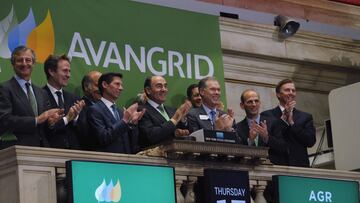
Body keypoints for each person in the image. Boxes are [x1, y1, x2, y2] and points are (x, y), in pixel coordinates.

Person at [0, 46, 62, 149]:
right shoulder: (4, 89)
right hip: (17, 150)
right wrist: (36, 120)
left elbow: (45, 125)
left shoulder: (42, 93)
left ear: (33, 63)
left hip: (43, 149)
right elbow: (5, 120)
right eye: (20, 60)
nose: (24, 63)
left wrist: (51, 122)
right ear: (13, 64)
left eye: (28, 60)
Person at [261, 79, 316, 167]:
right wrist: (283, 120)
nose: (291, 93)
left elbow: (310, 142)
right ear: (278, 94)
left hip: (300, 167)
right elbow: (267, 140)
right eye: (287, 90)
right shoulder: (267, 115)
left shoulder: (305, 117)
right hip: (276, 166)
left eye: (293, 90)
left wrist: (292, 123)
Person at [87, 72, 145, 153]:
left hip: (125, 160)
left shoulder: (120, 112)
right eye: (117, 84)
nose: (121, 88)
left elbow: (131, 143)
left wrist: (133, 124)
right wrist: (124, 121)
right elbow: (103, 138)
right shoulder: (94, 110)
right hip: (107, 161)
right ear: (104, 84)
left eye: (121, 85)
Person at [43, 54, 85, 149]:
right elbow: (44, 129)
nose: (69, 75)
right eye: (65, 71)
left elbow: (83, 132)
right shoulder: (40, 96)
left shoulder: (74, 99)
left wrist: (75, 118)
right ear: (51, 71)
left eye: (69, 71)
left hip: (74, 154)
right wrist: (67, 118)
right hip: (50, 153)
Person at [138, 76, 191, 148]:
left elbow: (187, 133)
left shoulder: (172, 110)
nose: (164, 89)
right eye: (159, 86)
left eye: (165, 86)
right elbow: (151, 136)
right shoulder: (141, 110)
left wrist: (183, 119)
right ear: (148, 90)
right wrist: (174, 120)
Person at [235, 89, 287, 164]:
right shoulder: (237, 128)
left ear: (260, 103)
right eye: (250, 102)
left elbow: (283, 148)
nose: (254, 104)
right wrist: (250, 141)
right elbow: (237, 154)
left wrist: (267, 138)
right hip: (247, 169)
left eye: (256, 101)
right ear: (242, 105)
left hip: (271, 169)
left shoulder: (274, 123)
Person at [77, 71, 102, 150]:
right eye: (98, 85)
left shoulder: (107, 108)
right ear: (86, 87)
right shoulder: (79, 107)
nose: (102, 89)